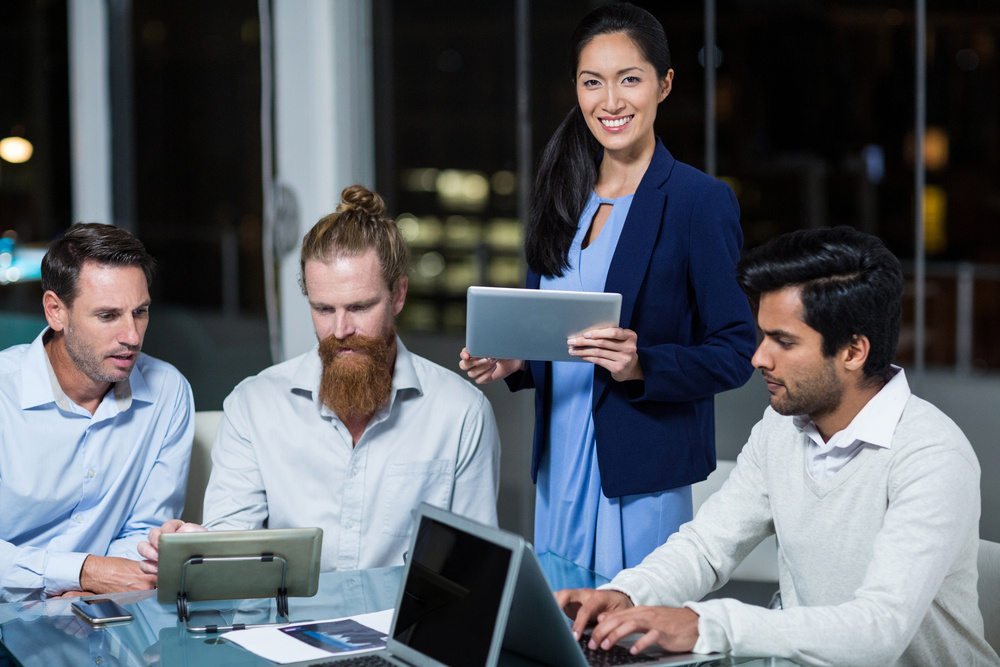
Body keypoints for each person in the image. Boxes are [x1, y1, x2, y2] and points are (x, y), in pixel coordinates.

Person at [556, 226, 999, 666]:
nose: (758, 358)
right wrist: (626, 594)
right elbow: (707, 547)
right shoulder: (780, 427)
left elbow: (879, 629)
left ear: (853, 351)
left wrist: (706, 625)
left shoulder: (931, 456)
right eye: (763, 335)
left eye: (783, 342)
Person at [460, 2, 755, 578]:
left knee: (632, 640)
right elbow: (555, 334)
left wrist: (640, 364)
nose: (610, 102)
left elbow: (736, 351)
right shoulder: (561, 194)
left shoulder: (699, 202)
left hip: (638, 478)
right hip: (558, 468)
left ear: (664, 85)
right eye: (592, 82)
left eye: (630, 80)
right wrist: (516, 359)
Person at [139, 185, 501, 573]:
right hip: (286, 628)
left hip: (405, 628)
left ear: (398, 295)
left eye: (360, 307)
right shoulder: (253, 405)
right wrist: (201, 548)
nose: (341, 329)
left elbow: (472, 569)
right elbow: (231, 555)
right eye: (323, 309)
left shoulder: (461, 413)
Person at [0, 223, 194, 602]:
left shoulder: (168, 392)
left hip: (104, 609)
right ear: (56, 311)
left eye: (140, 312)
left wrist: (87, 591)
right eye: (108, 316)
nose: (132, 336)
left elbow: (146, 533)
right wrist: (84, 572)